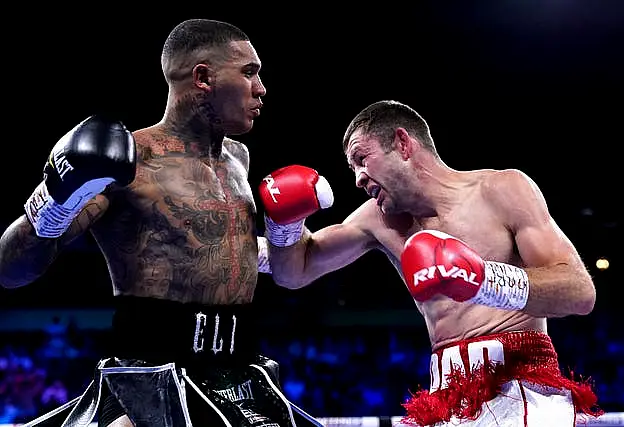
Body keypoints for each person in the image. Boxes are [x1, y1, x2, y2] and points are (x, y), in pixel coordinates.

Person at [0, 18, 319, 427]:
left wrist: (286, 235)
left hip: (239, 372)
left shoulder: (238, 159)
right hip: (151, 380)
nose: (261, 88)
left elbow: (212, 247)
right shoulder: (131, 161)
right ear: (203, 77)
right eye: (249, 72)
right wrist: (54, 202)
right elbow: (10, 271)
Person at [257, 100, 603, 426]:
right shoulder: (378, 220)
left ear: (403, 144)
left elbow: (579, 292)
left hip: (520, 384)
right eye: (352, 169)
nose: (358, 178)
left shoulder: (501, 189)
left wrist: (483, 281)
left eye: (362, 159)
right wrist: (283, 225)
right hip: (444, 394)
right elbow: (294, 271)